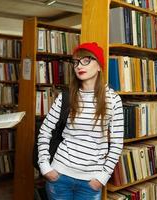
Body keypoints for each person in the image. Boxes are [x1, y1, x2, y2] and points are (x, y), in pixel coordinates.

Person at [37, 42, 124, 200]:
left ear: (99, 66)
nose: (78, 66)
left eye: (86, 60)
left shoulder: (113, 99)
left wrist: (102, 178)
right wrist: (45, 167)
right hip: (59, 176)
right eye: (76, 62)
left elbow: (117, 143)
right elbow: (45, 130)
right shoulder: (67, 97)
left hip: (91, 182)